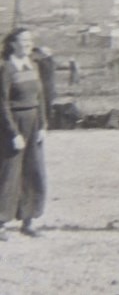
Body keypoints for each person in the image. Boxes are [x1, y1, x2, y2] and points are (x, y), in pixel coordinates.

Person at [0, 28, 47, 239]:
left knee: (33, 171)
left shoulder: (33, 65)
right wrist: (13, 133)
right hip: (13, 125)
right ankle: (1, 222)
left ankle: (28, 220)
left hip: (33, 122)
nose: (28, 43)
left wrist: (42, 125)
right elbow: (2, 104)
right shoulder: (6, 69)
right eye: (23, 40)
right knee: (9, 173)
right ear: (12, 44)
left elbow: (41, 98)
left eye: (30, 39)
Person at [31, 46, 57, 127]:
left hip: (45, 88)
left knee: (45, 107)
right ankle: (47, 124)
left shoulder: (44, 62)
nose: (41, 54)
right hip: (49, 88)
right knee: (46, 107)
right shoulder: (50, 61)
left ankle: (45, 124)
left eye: (42, 52)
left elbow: (37, 61)